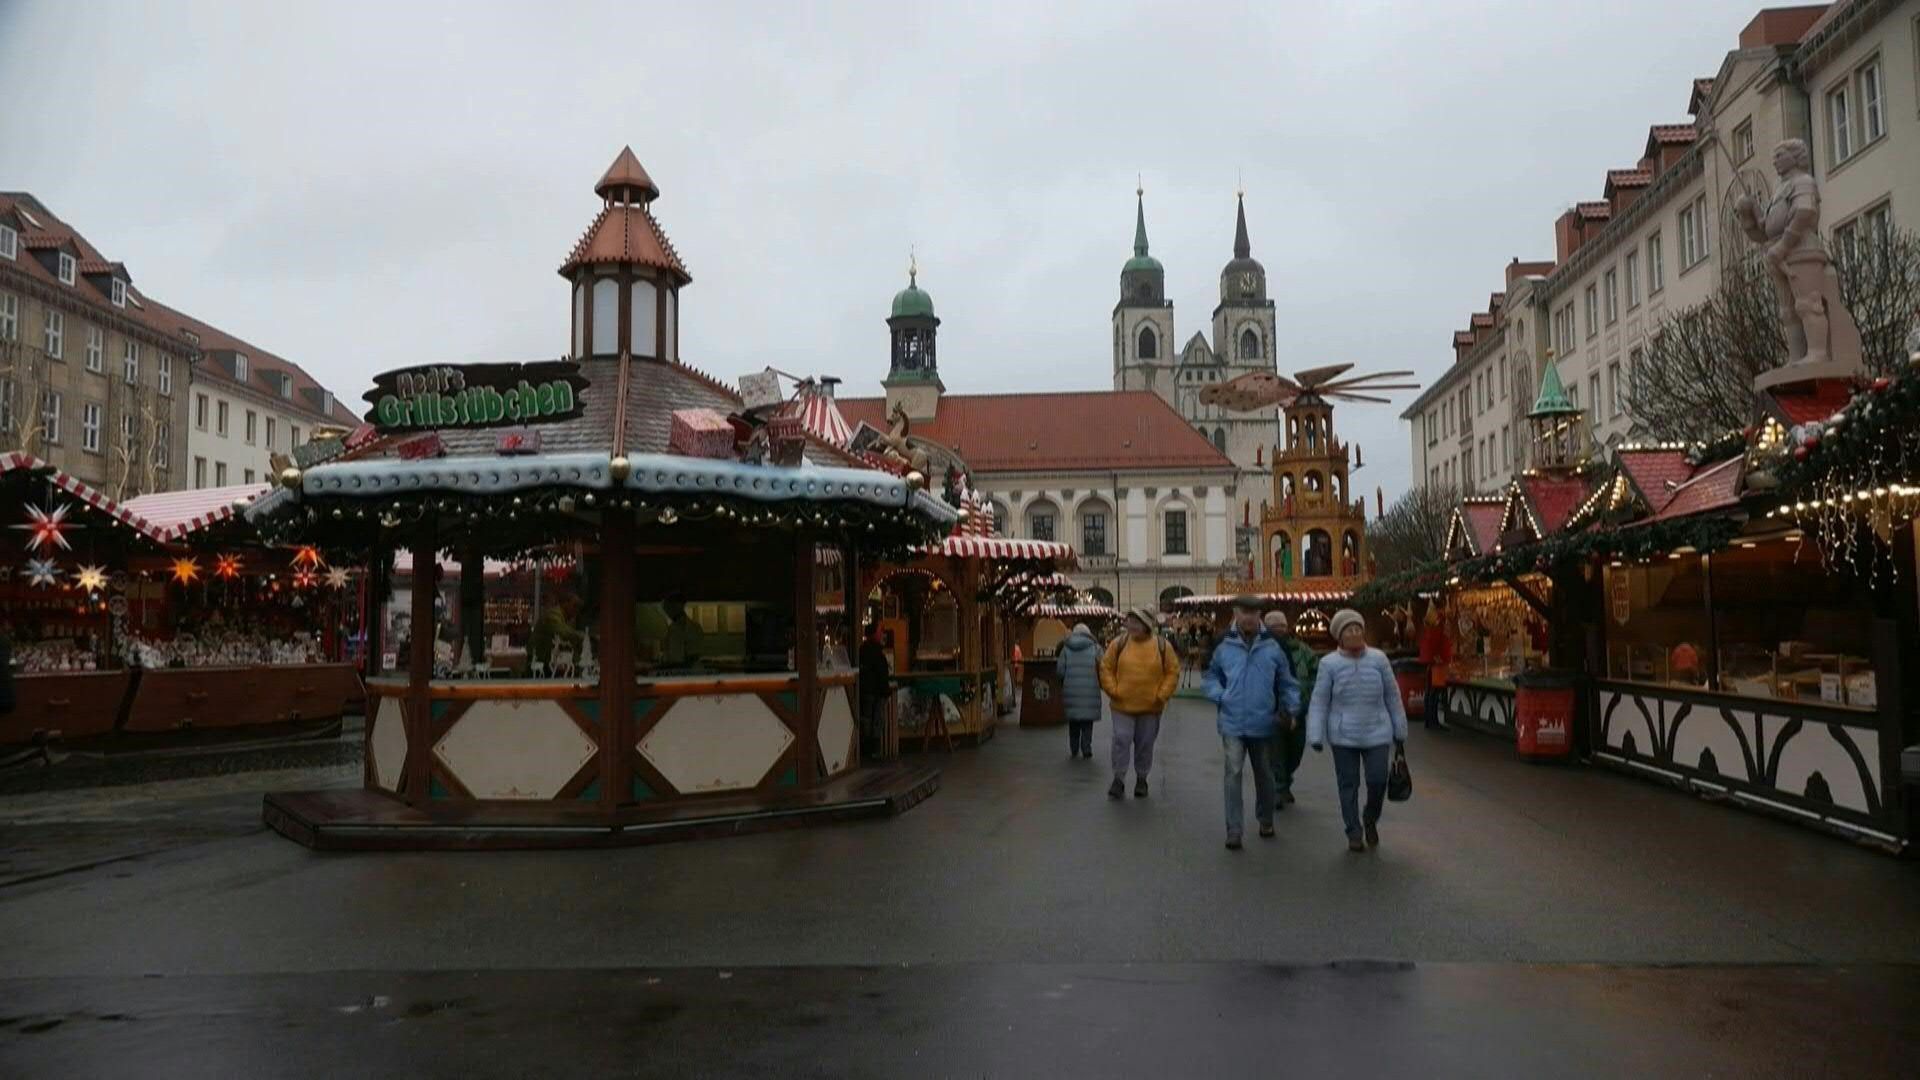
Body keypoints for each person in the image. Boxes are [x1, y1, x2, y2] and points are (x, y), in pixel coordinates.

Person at [1308, 609, 1410, 854]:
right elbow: (1320, 700)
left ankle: (1370, 817)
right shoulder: (1329, 664)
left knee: (1377, 780)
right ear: (1339, 637)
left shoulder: (1378, 659)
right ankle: (1353, 831)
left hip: (1377, 731)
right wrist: (1315, 734)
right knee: (1348, 784)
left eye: (1357, 629)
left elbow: (1392, 695)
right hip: (1343, 735)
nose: (1354, 633)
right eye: (1348, 630)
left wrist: (1400, 728)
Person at [1205, 596, 1299, 850]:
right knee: (1233, 773)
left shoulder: (1275, 644)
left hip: (1263, 721)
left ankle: (1265, 818)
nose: (1248, 617)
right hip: (1232, 721)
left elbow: (1289, 680)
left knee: (1265, 775)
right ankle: (1234, 829)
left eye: (1253, 612)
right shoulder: (1222, 642)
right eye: (1243, 612)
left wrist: (1290, 709)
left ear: (1260, 614)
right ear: (1235, 613)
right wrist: (1220, 696)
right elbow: (1210, 674)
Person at [1099, 606, 1180, 799]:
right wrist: (1113, 690)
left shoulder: (1161, 646)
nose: (1132, 625)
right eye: (1130, 621)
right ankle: (1118, 779)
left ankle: (1142, 778)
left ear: (1147, 625)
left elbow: (1172, 671)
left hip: (1151, 707)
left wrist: (1162, 694)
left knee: (1145, 744)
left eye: (1137, 622)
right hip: (1122, 705)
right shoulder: (1118, 643)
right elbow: (1106, 667)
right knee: (1121, 739)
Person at [1262, 609, 1318, 809]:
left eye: (1282, 627)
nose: (1279, 631)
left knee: (1295, 751)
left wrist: (1308, 696)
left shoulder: (1303, 651)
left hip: (1298, 711)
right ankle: (1279, 788)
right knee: (1276, 752)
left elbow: (1314, 675)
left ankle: (1286, 779)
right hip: (1273, 712)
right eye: (1274, 628)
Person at [1057, 622, 1103, 759]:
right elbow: (1105, 665)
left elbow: (1060, 671)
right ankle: (1086, 747)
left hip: (1071, 690)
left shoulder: (1065, 648)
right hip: (1090, 690)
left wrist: (1064, 682)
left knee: (1074, 722)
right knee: (1087, 722)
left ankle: (1074, 748)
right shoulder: (1095, 648)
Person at [857, 624, 892, 757]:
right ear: (874, 634)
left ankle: (866, 748)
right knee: (876, 719)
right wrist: (885, 691)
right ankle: (873, 749)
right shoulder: (877, 652)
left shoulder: (862, 650)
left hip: (867, 691)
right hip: (876, 691)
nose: (882, 634)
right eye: (880, 631)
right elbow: (881, 673)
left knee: (866, 718)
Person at [1417, 604, 1452, 731]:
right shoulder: (1437, 630)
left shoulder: (1429, 630)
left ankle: (1430, 720)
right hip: (1437, 666)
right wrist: (1439, 659)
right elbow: (1437, 647)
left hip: (1433, 664)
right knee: (1434, 694)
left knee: (1431, 694)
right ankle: (1433, 721)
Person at [661, 594, 705, 668]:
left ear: (678, 606)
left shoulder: (693, 628)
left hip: (687, 672)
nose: (667, 612)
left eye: (668, 607)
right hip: (674, 671)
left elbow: (694, 655)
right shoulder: (671, 628)